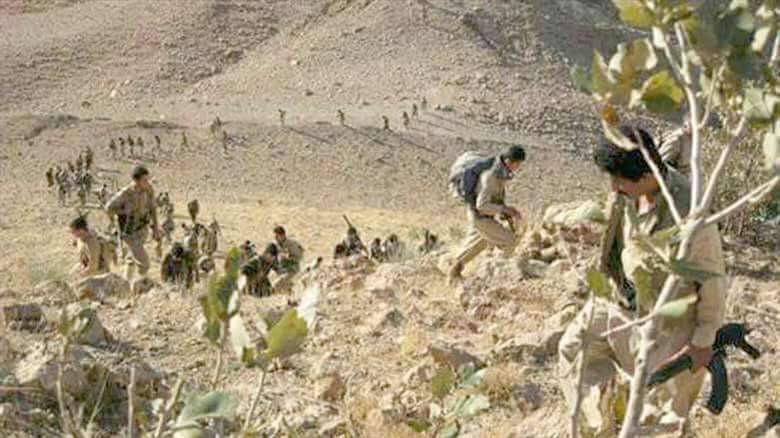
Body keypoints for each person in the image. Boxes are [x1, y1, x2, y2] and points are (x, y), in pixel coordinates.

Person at [557, 126, 726, 436]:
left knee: (661, 417)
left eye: (619, 180)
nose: (612, 187)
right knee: (574, 350)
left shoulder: (688, 212)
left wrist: (703, 340)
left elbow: (713, 279)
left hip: (669, 323)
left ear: (647, 173)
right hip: (616, 302)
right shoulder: (629, 189)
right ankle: (599, 428)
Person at [448, 145, 525, 282]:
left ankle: (453, 271)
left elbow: (493, 199)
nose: (518, 167)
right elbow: (482, 205)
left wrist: (504, 210)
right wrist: (505, 210)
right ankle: (494, 276)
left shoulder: (499, 174)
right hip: (480, 217)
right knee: (511, 241)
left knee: (479, 243)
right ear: (508, 161)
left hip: (480, 216)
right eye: (517, 164)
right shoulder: (491, 176)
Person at [106, 165, 160, 280]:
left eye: (148, 179)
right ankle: (141, 286)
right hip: (129, 232)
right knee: (144, 264)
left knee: (130, 260)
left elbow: (153, 208)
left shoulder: (149, 190)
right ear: (136, 181)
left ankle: (127, 284)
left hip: (142, 230)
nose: (147, 182)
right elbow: (108, 208)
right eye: (144, 180)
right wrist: (122, 212)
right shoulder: (126, 193)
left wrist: (156, 228)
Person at [273, 226, 304, 292]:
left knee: (276, 286)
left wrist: (288, 257)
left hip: (291, 270)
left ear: (283, 235)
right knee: (285, 290)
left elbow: (299, 257)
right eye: (275, 237)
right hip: (283, 270)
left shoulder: (292, 244)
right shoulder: (278, 244)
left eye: (277, 236)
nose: (275, 239)